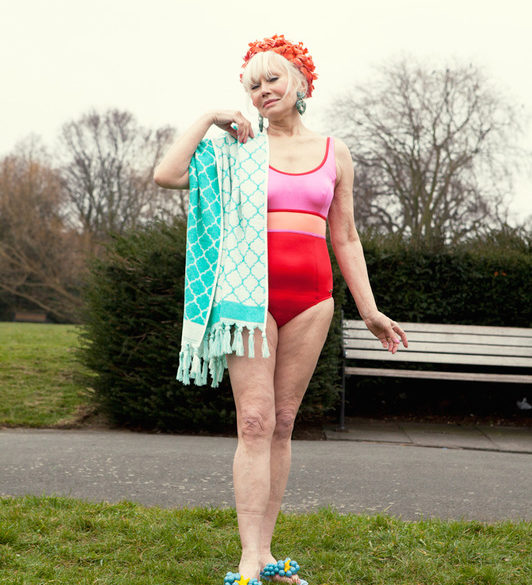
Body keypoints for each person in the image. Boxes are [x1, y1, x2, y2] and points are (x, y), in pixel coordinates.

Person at [154, 34, 408, 585]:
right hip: (249, 301)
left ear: (301, 82)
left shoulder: (335, 151)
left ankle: (266, 553)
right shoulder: (237, 149)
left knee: (284, 423)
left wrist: (369, 310)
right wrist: (210, 117)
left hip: (313, 301)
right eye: (252, 85)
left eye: (272, 78)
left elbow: (346, 237)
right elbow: (167, 175)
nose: (262, 90)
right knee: (254, 421)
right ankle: (249, 558)